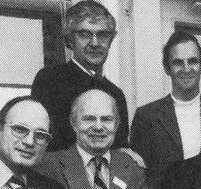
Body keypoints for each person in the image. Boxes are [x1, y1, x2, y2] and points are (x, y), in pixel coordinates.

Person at [31, 0, 129, 152]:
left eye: (103, 34)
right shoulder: (50, 80)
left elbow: (119, 150)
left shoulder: (116, 94)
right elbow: (44, 144)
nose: (95, 43)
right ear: (69, 39)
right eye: (85, 34)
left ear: (112, 39)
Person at [129, 31, 201, 189]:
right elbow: (140, 177)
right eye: (178, 63)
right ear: (167, 68)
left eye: (193, 61)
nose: (186, 69)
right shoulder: (146, 116)